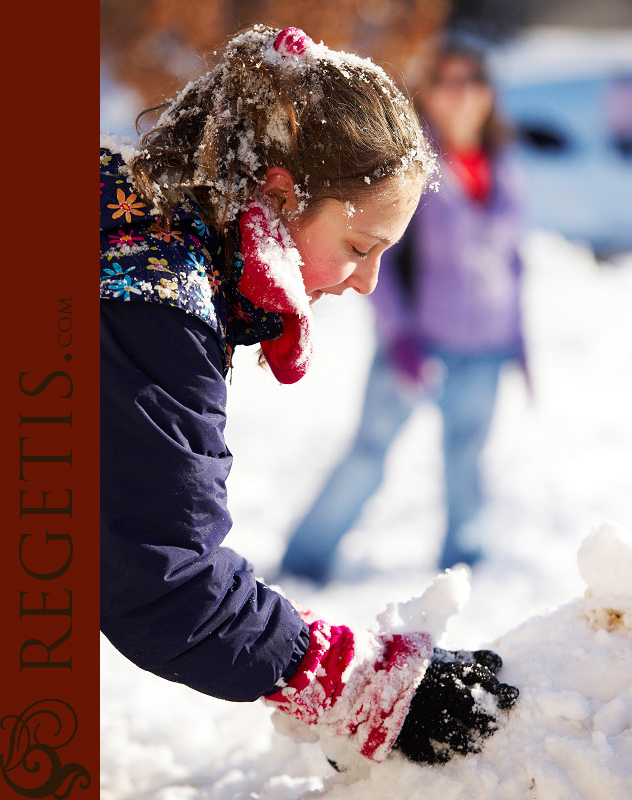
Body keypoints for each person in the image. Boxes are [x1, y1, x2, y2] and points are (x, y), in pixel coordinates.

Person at [100, 25, 518, 771]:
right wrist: (364, 686)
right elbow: (165, 583)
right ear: (281, 192)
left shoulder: (129, 218)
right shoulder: (154, 299)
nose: (366, 283)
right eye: (360, 248)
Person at [281, 37, 527, 582]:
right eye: (448, 82)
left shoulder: (503, 167)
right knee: (369, 453)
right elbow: (383, 264)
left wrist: (521, 342)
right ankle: (305, 559)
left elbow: (513, 263)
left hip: (486, 348)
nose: (461, 95)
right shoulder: (414, 168)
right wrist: (401, 338)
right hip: (420, 343)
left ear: (488, 94)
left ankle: (465, 563)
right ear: (429, 92)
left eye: (473, 82)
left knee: (468, 460)